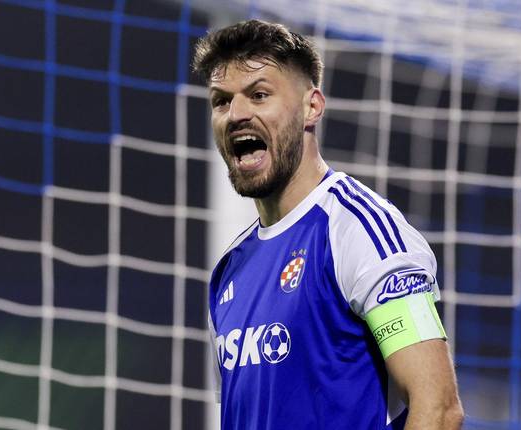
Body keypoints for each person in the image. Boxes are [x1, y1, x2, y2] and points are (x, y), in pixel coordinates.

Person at [193, 19, 463, 430]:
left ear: (312, 107)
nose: (236, 115)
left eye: (259, 95)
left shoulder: (358, 230)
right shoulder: (230, 269)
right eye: (221, 101)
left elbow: (439, 409)